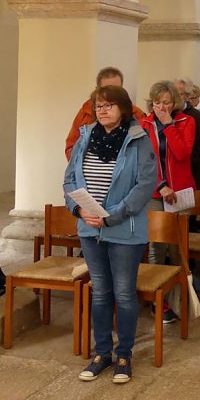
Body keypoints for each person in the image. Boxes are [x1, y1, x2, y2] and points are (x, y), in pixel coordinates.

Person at [64, 85, 157, 383]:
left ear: (123, 108)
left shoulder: (138, 138)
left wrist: (112, 215)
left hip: (124, 229)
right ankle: (102, 352)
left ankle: (124, 355)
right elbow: (69, 180)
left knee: (124, 293)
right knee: (101, 292)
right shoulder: (85, 137)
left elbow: (145, 184)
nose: (103, 110)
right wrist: (79, 211)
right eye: (99, 105)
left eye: (109, 105)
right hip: (89, 228)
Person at [140, 80, 195, 324]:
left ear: (175, 104)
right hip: (155, 193)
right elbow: (142, 161)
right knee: (157, 246)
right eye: (157, 102)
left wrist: (168, 126)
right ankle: (158, 303)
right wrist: (160, 185)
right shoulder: (142, 125)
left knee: (178, 248)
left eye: (167, 102)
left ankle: (179, 299)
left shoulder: (186, 122)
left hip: (181, 192)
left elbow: (182, 153)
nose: (162, 107)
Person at [65, 66, 145, 160]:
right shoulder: (86, 112)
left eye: (116, 89)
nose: (112, 94)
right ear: (97, 90)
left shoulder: (136, 114)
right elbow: (70, 148)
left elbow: (145, 157)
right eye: (106, 89)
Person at [175, 77, 200, 188]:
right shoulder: (166, 115)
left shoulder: (197, 117)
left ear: (187, 96)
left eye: (179, 94)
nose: (175, 97)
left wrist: (181, 163)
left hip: (189, 174)